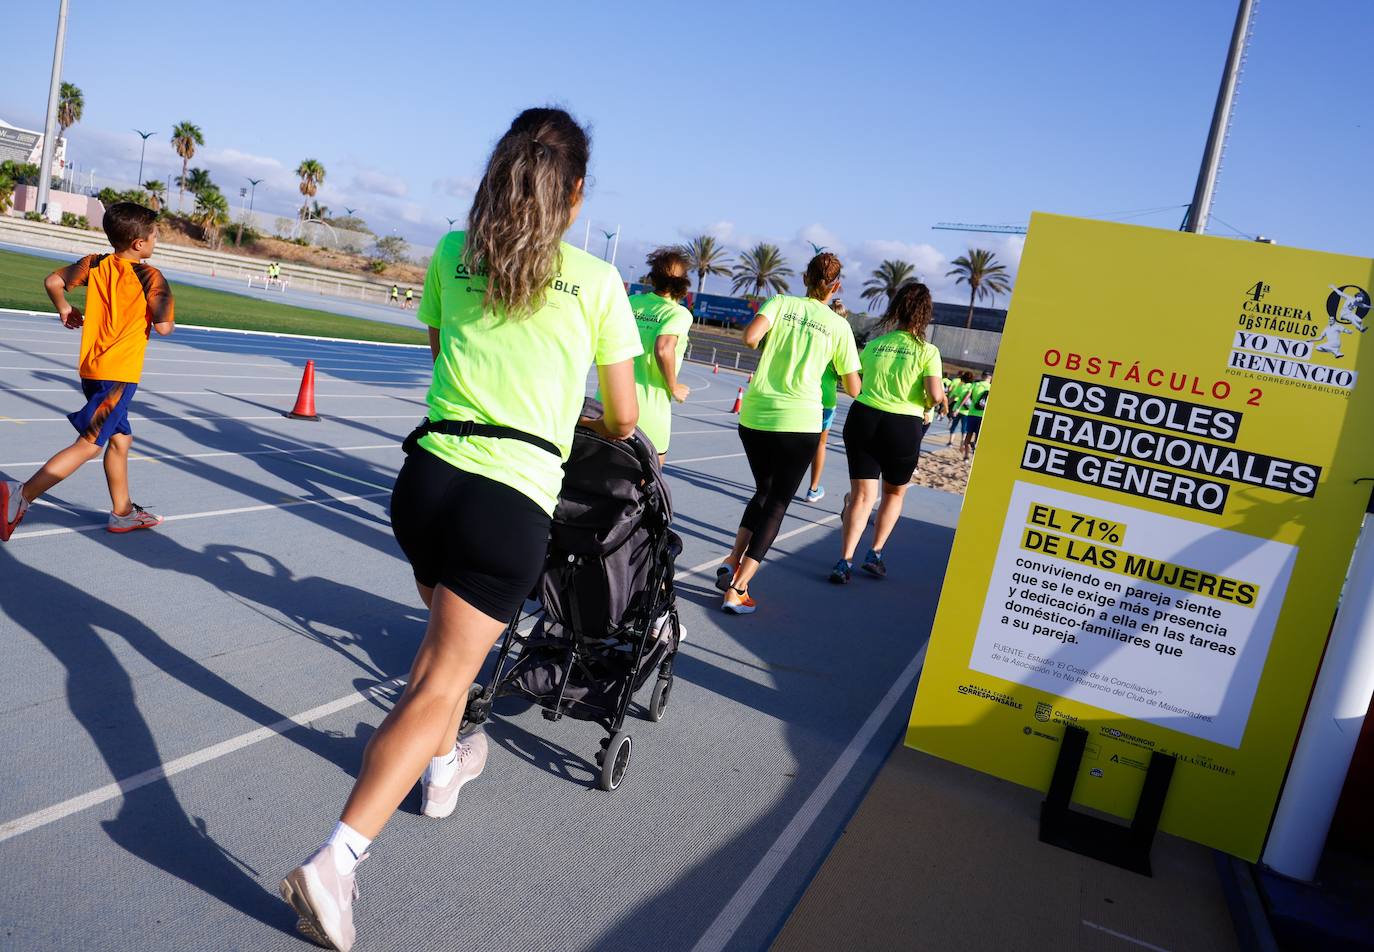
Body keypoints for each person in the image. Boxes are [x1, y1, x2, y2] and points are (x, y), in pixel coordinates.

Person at [278, 107, 642, 952]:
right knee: (440, 682)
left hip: (426, 483)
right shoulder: (596, 282)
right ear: (577, 193)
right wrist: (569, 412)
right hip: (507, 501)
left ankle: (442, 769)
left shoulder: (452, 252)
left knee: (440, 660)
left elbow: (444, 352)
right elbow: (623, 418)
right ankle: (338, 859)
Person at [1, 203, 175, 542]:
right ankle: (21, 495)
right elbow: (165, 327)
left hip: (92, 368)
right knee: (91, 444)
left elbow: (53, 281)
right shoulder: (151, 276)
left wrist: (66, 308)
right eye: (154, 236)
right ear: (139, 243)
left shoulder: (94, 263)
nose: (156, 241)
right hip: (119, 373)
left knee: (121, 439)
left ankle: (123, 512)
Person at [714, 252, 861, 614]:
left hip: (757, 415)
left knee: (763, 491)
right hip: (800, 422)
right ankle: (738, 588)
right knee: (778, 503)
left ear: (805, 278)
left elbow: (750, 338)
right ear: (836, 286)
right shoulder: (839, 326)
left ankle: (733, 559)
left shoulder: (780, 302)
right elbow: (854, 388)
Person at [830, 283, 945, 582]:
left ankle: (844, 561)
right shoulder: (927, 351)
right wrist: (933, 398)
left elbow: (852, 375)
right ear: (924, 315)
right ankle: (875, 552)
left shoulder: (875, 345)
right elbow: (934, 394)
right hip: (902, 424)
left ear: (897, 309)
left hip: (864, 417)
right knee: (894, 492)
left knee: (861, 497)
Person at [626, 247, 693, 464]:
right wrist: (674, 386)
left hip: (609, 402)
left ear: (652, 277)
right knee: (645, 489)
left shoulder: (631, 302)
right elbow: (664, 348)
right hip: (649, 412)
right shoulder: (678, 314)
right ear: (684, 282)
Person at [806, 299, 848, 502]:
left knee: (795, 440)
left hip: (805, 393)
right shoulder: (842, 342)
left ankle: (781, 484)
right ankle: (813, 488)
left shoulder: (815, 336)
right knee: (820, 444)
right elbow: (846, 375)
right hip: (827, 399)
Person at [962, 371, 992, 460]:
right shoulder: (991, 387)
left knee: (968, 435)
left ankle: (966, 456)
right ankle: (975, 456)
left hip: (972, 413)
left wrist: (959, 407)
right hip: (983, 415)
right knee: (978, 438)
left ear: (982, 376)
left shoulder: (975, 385)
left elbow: (967, 397)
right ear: (990, 378)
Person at [946, 371, 973, 445]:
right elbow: (954, 396)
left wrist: (947, 404)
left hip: (962, 410)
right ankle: (953, 441)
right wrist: (946, 405)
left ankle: (959, 442)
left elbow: (956, 396)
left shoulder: (965, 386)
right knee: (960, 427)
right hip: (964, 410)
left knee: (960, 427)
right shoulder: (970, 386)